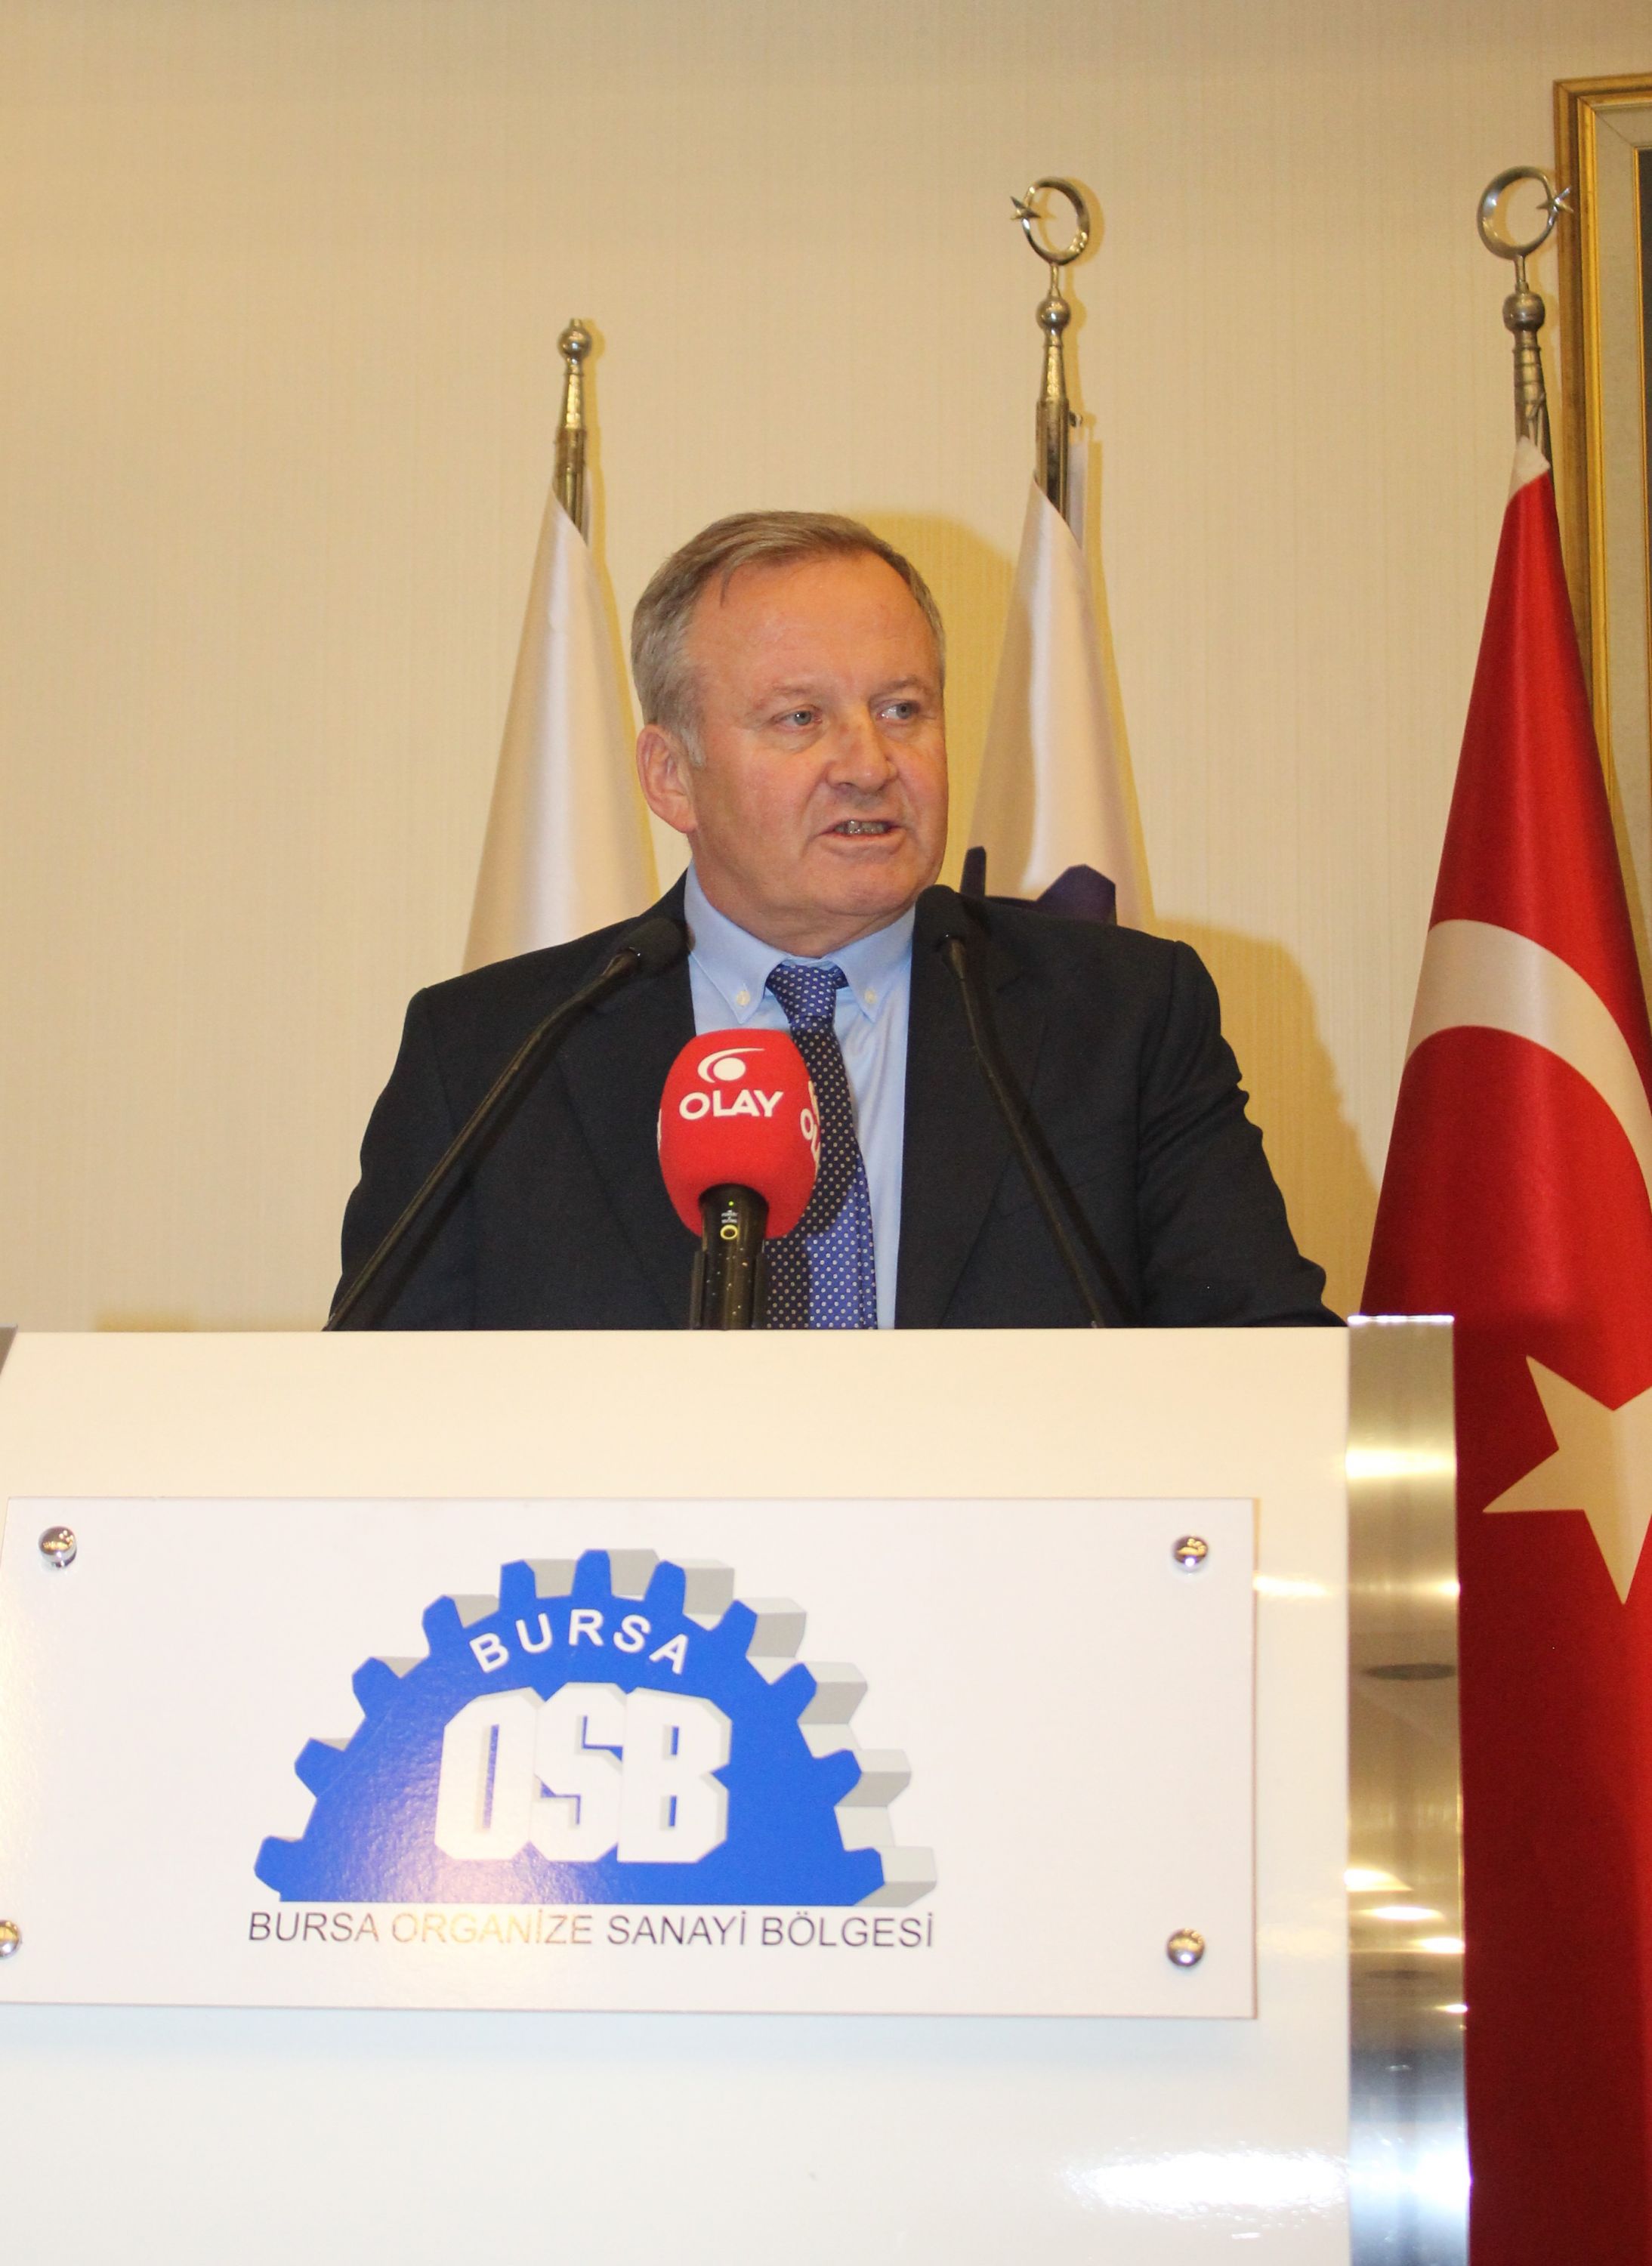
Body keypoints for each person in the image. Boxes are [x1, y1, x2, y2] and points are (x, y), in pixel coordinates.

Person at [336, 511, 1335, 1329]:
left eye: (903, 709)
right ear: (671, 775)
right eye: (800, 718)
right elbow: (380, 1422)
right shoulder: (490, 1055)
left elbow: (1269, 1366)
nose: (869, 764)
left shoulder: (1121, 1022)